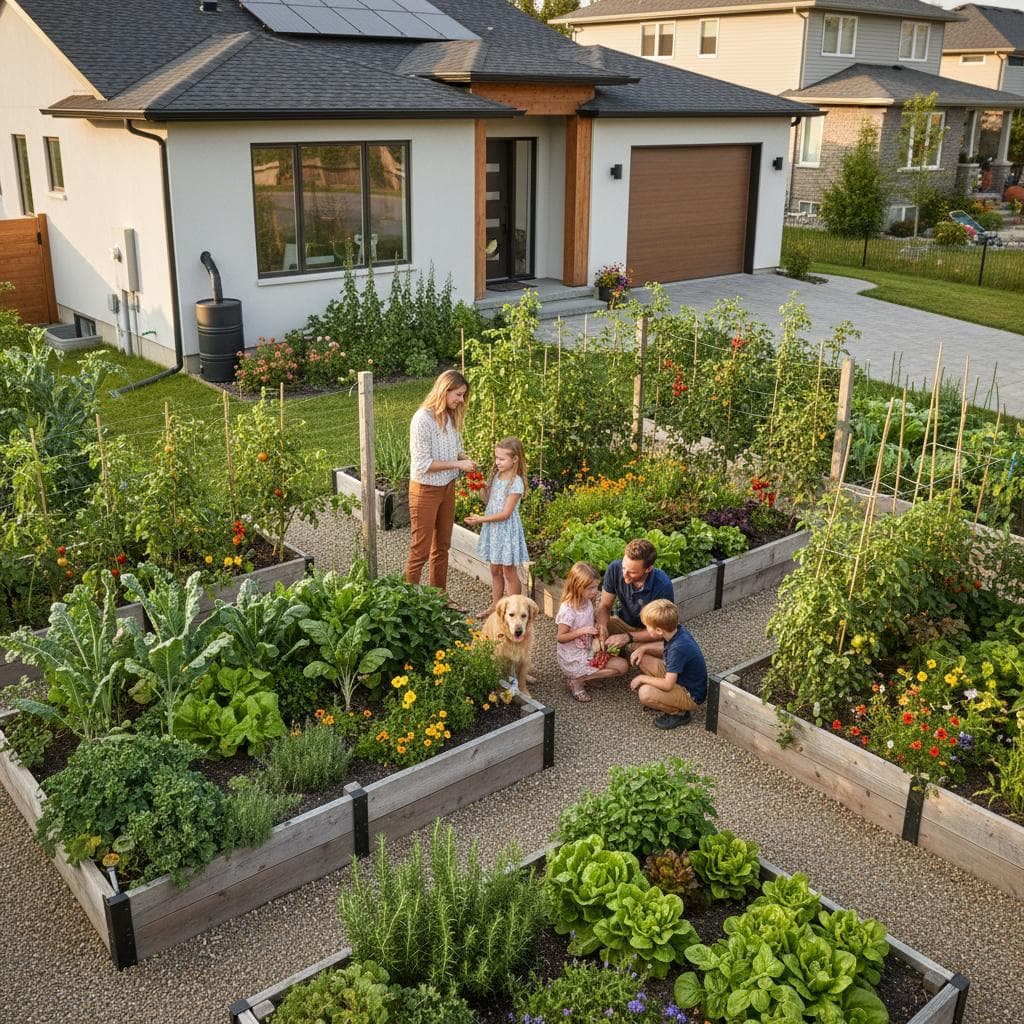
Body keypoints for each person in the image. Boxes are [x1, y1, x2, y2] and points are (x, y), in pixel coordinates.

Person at [406, 370, 475, 607]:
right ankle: (407, 604)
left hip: (447, 487)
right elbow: (423, 464)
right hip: (425, 490)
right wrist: (457, 464)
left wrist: (465, 459)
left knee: (442, 546)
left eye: (463, 395)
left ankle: (439, 598)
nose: (461, 400)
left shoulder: (451, 417)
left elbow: (455, 450)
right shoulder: (422, 420)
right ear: (444, 390)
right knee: (420, 550)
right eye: (458, 394)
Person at [464, 436, 529, 619]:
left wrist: (480, 519)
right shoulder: (496, 476)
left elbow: (506, 514)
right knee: (494, 569)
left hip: (506, 531)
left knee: (509, 571)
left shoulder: (516, 483)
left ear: (515, 459)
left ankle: (515, 610)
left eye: (502, 459)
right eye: (496, 458)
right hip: (494, 530)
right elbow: (488, 501)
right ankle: (496, 606)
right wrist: (481, 486)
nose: (497, 462)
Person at [555, 561, 630, 703]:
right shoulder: (568, 610)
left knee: (623, 666)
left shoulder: (588, 600)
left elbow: (589, 619)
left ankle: (585, 678)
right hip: (573, 657)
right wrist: (582, 631)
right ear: (577, 586)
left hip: (588, 650)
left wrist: (597, 628)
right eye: (590, 588)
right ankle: (576, 681)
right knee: (621, 666)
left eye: (596, 586)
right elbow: (560, 637)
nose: (595, 591)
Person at [629, 598, 708, 730]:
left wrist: (641, 678)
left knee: (645, 693)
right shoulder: (677, 630)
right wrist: (644, 648)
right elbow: (666, 648)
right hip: (680, 679)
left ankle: (678, 713)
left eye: (647, 626)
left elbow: (667, 684)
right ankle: (664, 699)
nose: (646, 628)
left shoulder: (678, 648)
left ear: (659, 631)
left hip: (691, 694)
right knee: (642, 659)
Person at [595, 538, 675, 656]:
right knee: (599, 627)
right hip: (624, 623)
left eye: (632, 572)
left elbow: (661, 630)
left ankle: (634, 650)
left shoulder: (662, 585)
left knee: (646, 651)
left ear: (648, 569)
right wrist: (602, 626)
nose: (624, 574)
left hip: (649, 631)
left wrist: (628, 637)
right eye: (623, 568)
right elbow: (605, 605)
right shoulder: (614, 568)